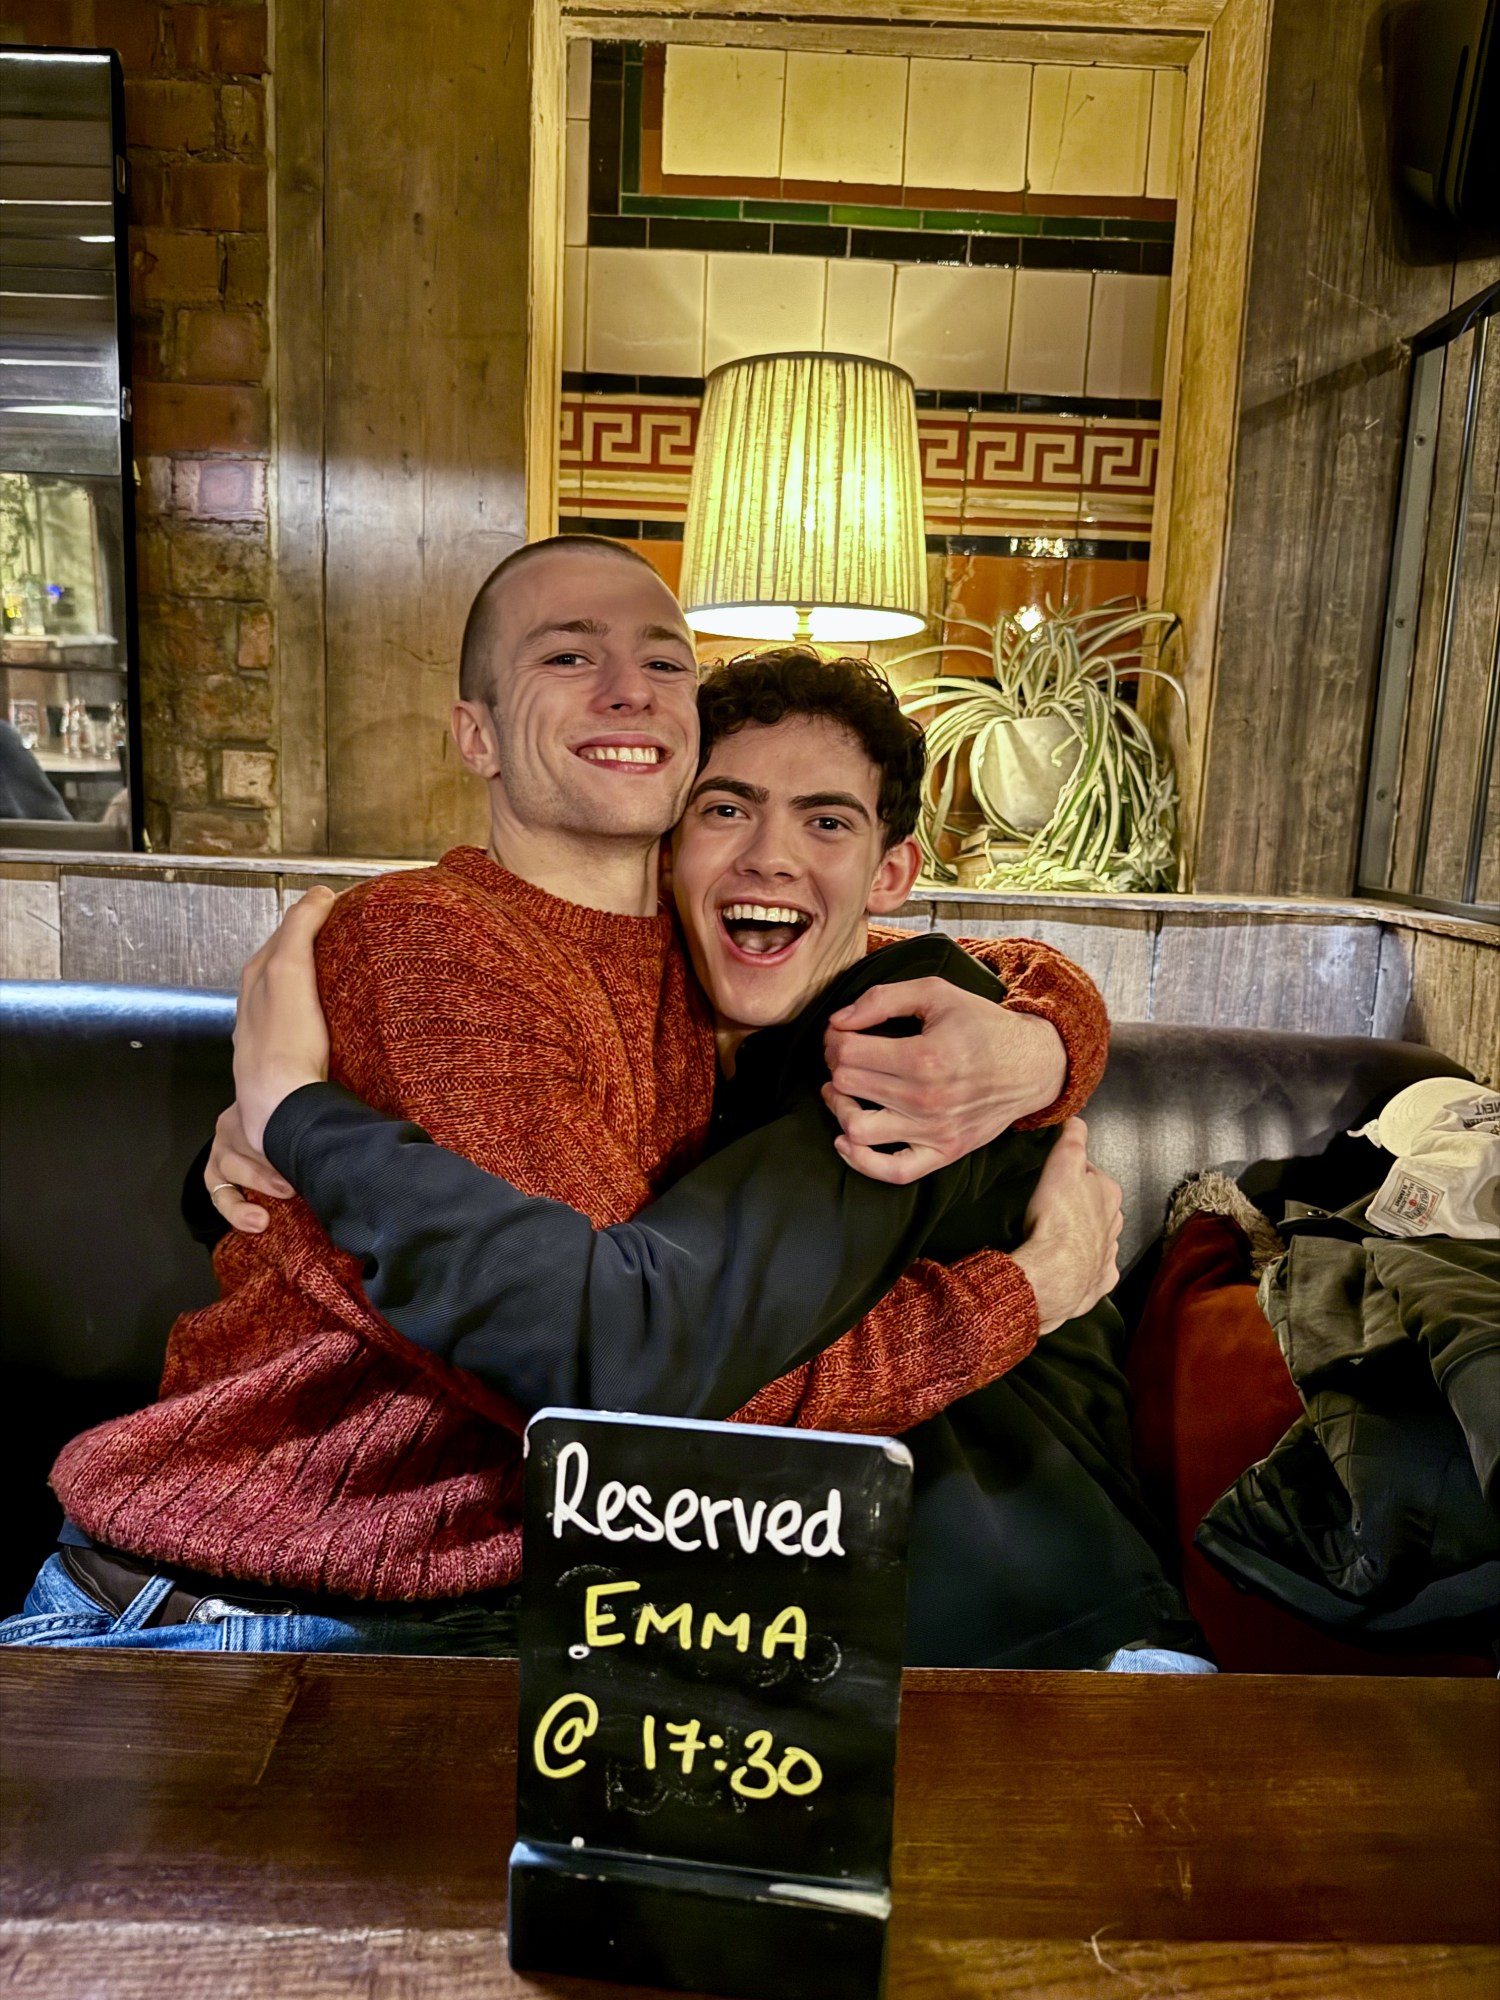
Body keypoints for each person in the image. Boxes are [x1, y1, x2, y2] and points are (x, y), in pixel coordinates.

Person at [0, 538, 1125, 1657]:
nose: (628, 687)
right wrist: (1021, 1293)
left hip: (490, 1622)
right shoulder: (428, 943)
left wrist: (1039, 1037)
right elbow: (623, 1396)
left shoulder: (706, 974)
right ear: (476, 734)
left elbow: (956, 960)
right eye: (567, 656)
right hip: (243, 1613)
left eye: (664, 661)